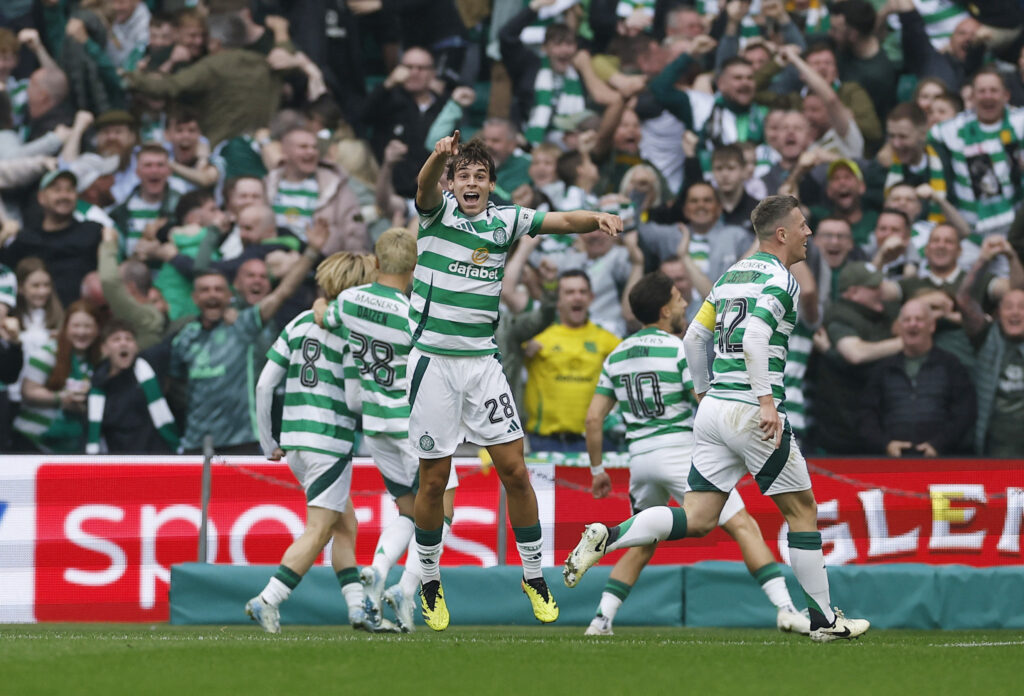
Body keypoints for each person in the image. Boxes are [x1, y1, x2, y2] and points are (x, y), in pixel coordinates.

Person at [564, 195, 870, 643]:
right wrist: (766, 401)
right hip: (751, 408)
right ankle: (824, 621)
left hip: (713, 411)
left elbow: (694, 336)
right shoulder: (782, 279)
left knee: (698, 517)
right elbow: (755, 337)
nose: (809, 233)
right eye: (803, 225)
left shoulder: (730, 275)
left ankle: (608, 536)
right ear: (781, 233)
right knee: (802, 510)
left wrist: (705, 390)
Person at [410, 131, 623, 631]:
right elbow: (422, 186)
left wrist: (597, 217)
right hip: (433, 364)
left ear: (491, 185)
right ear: (450, 183)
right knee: (434, 480)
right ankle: (429, 580)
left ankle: (533, 575)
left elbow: (562, 221)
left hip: (482, 365)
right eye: (463, 175)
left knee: (516, 472)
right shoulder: (435, 214)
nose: (471, 183)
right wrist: (436, 156)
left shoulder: (506, 221)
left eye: (480, 176)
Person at [580, 271, 810, 636]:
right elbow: (703, 401)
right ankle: (786, 607)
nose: (684, 304)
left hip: (640, 458)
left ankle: (600, 619)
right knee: (743, 525)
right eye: (678, 298)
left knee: (644, 539)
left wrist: (597, 470)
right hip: (679, 451)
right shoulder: (677, 349)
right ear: (664, 310)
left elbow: (593, 419)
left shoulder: (616, 356)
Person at [317, 228, 457, 633]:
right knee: (443, 507)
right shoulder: (412, 314)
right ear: (415, 267)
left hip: (374, 424)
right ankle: (407, 589)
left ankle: (377, 570)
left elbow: (325, 317)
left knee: (409, 510)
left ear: (376, 263)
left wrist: (319, 303)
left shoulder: (349, 300)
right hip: (411, 422)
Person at [249, 251, 389, 634]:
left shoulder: (298, 322)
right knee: (319, 529)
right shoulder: (355, 332)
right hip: (329, 441)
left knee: (345, 525)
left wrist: (268, 441)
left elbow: (264, 386)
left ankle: (358, 610)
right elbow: (353, 400)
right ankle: (268, 599)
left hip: (295, 441)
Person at [169, 219, 329, 454]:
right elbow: (175, 384)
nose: (212, 295)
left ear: (229, 295)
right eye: (205, 290)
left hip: (241, 440)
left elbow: (282, 293)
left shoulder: (242, 325)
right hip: (196, 442)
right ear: (195, 298)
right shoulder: (185, 336)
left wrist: (312, 252)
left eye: (218, 290)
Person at [859, 298, 976, 456]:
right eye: (907, 320)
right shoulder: (883, 369)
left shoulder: (951, 365)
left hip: (942, 460)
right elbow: (867, 414)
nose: (912, 324)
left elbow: (964, 412)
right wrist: (885, 444)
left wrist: (939, 444)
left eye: (919, 319)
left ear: (932, 326)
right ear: (899, 327)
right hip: (892, 462)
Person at [523, 270, 621, 452]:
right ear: (558, 300)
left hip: (594, 440)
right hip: (545, 441)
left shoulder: (609, 341)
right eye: (569, 292)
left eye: (582, 292)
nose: (577, 297)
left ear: (591, 297)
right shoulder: (538, 337)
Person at [0, 169, 102, 307]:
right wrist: (3, 236)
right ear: (41, 197)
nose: (64, 195)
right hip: (38, 315)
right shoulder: (26, 239)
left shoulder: (92, 231)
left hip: (83, 315)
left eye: (70, 190)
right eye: (57, 190)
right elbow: (4, 272)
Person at [13, 300, 103, 453]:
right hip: (32, 440)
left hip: (69, 443)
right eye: (76, 326)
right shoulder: (47, 354)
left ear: (97, 329)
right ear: (65, 327)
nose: (81, 332)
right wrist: (61, 398)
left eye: (88, 326)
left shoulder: (98, 359)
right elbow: (28, 392)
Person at [264, 126, 370, 254]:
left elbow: (355, 228)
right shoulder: (268, 184)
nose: (311, 152)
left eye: (314, 147)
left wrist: (357, 260)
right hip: (270, 255)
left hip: (321, 260)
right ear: (285, 151)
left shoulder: (335, 185)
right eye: (303, 147)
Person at [85, 319, 179, 455]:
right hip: (118, 461)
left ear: (136, 347)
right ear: (104, 349)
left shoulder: (149, 367)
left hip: (156, 456)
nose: (123, 343)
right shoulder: (97, 386)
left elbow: (172, 340)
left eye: (129, 339)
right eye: (116, 339)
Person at [959, 287, 1024, 457]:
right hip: (993, 449)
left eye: (1022, 307)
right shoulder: (985, 336)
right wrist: (984, 265)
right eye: (1008, 307)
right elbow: (963, 299)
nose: (1015, 312)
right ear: (998, 314)